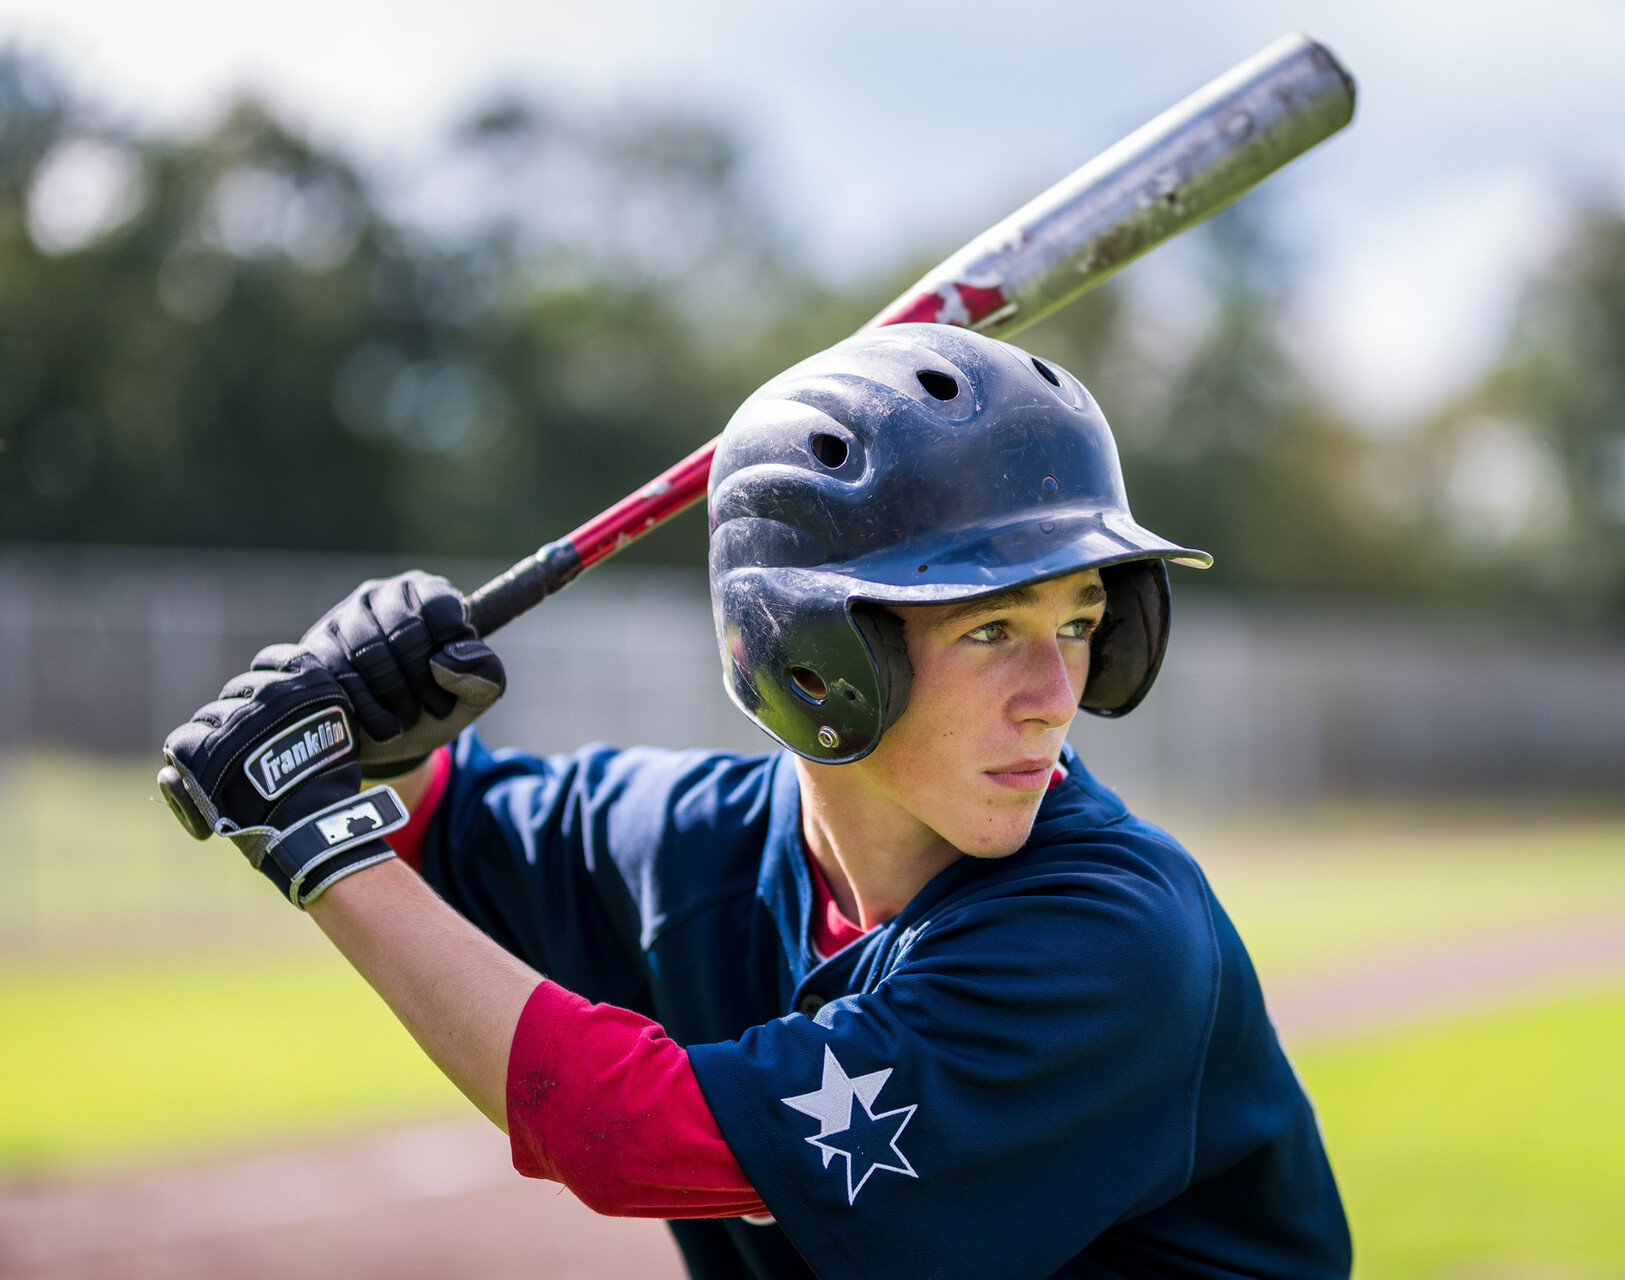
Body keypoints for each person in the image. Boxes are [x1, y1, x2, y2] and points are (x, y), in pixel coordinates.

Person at [159, 325, 1351, 1279]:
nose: (1054, 695)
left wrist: (316, 834)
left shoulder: (1109, 937)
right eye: (992, 628)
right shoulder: (697, 842)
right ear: (811, 657)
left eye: (1080, 622)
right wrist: (379, 739)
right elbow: (449, 823)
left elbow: (632, 1132)